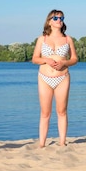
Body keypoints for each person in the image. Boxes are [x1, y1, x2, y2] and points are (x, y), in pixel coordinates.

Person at [31, 9, 78, 147]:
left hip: (62, 77)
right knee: (45, 112)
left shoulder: (68, 39)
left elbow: (74, 59)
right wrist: (46, 60)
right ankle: (41, 144)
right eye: (56, 18)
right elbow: (34, 59)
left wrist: (65, 62)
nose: (59, 20)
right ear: (49, 21)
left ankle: (62, 143)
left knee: (62, 111)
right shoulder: (42, 39)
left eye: (61, 18)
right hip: (44, 78)